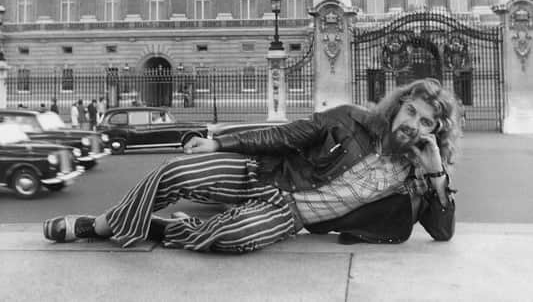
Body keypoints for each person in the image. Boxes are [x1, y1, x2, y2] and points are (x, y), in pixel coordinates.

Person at [43, 78, 460, 254]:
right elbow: (283, 135)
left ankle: (161, 227)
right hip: (262, 172)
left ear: (435, 132)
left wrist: (438, 173)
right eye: (411, 112)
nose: (413, 125)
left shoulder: (419, 176)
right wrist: (218, 143)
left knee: (232, 236)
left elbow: (442, 233)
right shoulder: (350, 119)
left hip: (285, 212)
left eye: (426, 122)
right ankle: (98, 226)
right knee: (174, 173)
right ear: (398, 106)